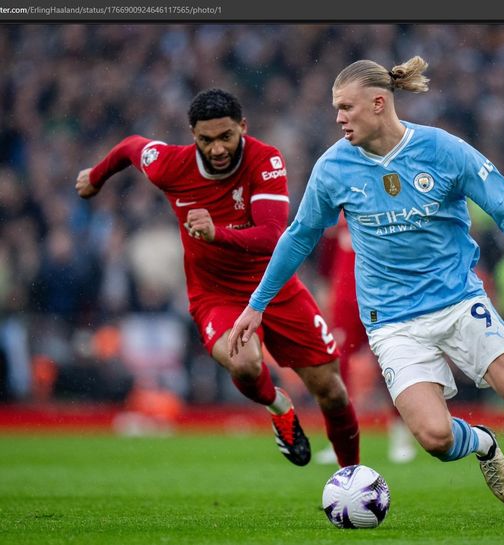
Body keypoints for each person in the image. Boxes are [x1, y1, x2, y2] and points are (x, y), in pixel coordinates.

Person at [228, 57, 504, 528]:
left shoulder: (443, 151)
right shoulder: (333, 168)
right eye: (335, 108)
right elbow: (299, 236)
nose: (338, 118)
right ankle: (482, 442)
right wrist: (257, 305)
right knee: (436, 439)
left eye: (346, 107)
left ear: (378, 103)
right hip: (394, 322)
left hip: (460, 302)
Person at [75, 88, 360, 468]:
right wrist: (96, 176)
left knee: (332, 392)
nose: (218, 148)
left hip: (275, 287)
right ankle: (279, 407)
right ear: (192, 134)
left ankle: (353, 475)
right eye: (206, 140)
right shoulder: (169, 165)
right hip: (217, 295)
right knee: (243, 363)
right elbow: (131, 147)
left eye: (226, 136)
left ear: (243, 127)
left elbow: (273, 236)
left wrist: (217, 233)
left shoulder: (265, 159)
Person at [316, 211, 416, 464]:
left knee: (390, 365)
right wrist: (328, 292)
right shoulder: (335, 217)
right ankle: (340, 439)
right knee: (338, 368)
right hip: (345, 302)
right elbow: (325, 263)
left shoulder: (384, 209)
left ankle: (401, 434)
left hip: (380, 298)